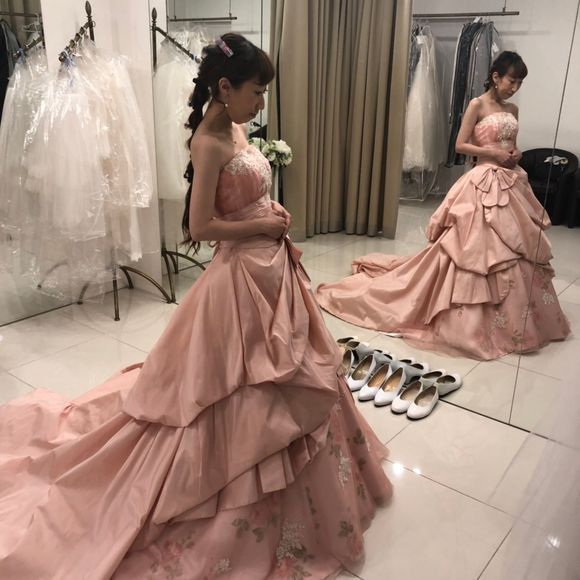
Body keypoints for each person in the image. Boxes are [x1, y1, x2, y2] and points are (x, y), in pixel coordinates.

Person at [0, 34, 391, 579]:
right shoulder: (208, 141)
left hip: (272, 270)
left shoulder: (235, 125)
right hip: (241, 278)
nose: (261, 104)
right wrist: (261, 224)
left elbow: (244, 195)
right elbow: (200, 226)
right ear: (225, 87)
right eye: (256, 92)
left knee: (294, 372)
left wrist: (269, 213)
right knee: (234, 389)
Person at [316, 52, 570, 361]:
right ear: (495, 77)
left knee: (515, 247)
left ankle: (518, 320)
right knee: (470, 248)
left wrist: (515, 153)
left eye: (520, 83)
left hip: (509, 181)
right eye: (512, 81)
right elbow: (460, 145)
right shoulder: (477, 105)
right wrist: (491, 153)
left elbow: (511, 144)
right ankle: (464, 316)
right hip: (482, 180)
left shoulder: (513, 109)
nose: (515, 88)